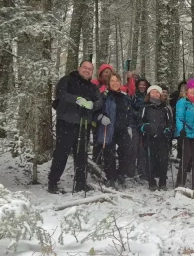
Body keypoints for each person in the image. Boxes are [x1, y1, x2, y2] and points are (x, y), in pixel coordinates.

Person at [48, 60, 103, 194]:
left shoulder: (92, 87)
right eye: (85, 68)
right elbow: (61, 93)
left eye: (90, 69)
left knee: (82, 155)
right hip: (66, 122)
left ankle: (80, 183)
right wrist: (77, 99)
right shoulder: (67, 80)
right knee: (62, 153)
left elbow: (99, 100)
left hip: (84, 124)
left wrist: (93, 105)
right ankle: (53, 182)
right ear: (79, 68)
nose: (87, 71)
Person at [94, 74, 137, 185]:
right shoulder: (104, 96)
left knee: (127, 151)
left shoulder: (124, 97)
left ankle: (121, 173)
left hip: (122, 129)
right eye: (112, 81)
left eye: (117, 80)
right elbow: (94, 111)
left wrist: (130, 126)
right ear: (109, 83)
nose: (115, 83)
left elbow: (129, 113)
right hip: (108, 128)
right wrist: (100, 117)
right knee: (109, 153)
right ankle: (111, 177)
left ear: (120, 82)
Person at [140, 85, 173, 189]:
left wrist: (168, 130)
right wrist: (144, 127)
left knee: (163, 160)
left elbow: (171, 123)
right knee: (150, 160)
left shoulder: (165, 108)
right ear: (149, 94)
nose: (155, 94)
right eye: (153, 92)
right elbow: (140, 121)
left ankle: (163, 182)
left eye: (157, 92)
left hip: (162, 137)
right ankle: (152, 182)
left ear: (160, 94)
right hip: (149, 138)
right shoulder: (145, 107)